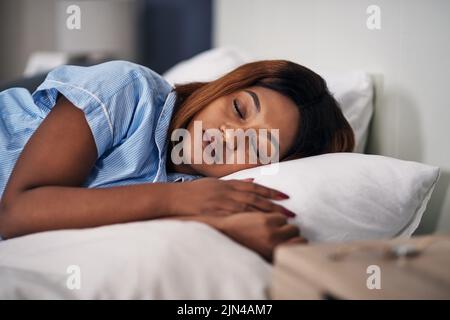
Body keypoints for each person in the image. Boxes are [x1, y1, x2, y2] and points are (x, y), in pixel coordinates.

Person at [0, 60, 354, 260]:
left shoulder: (200, 189)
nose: (229, 136)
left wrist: (220, 226)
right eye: (239, 108)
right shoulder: (128, 89)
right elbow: (17, 211)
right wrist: (180, 201)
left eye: (258, 148)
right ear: (223, 87)